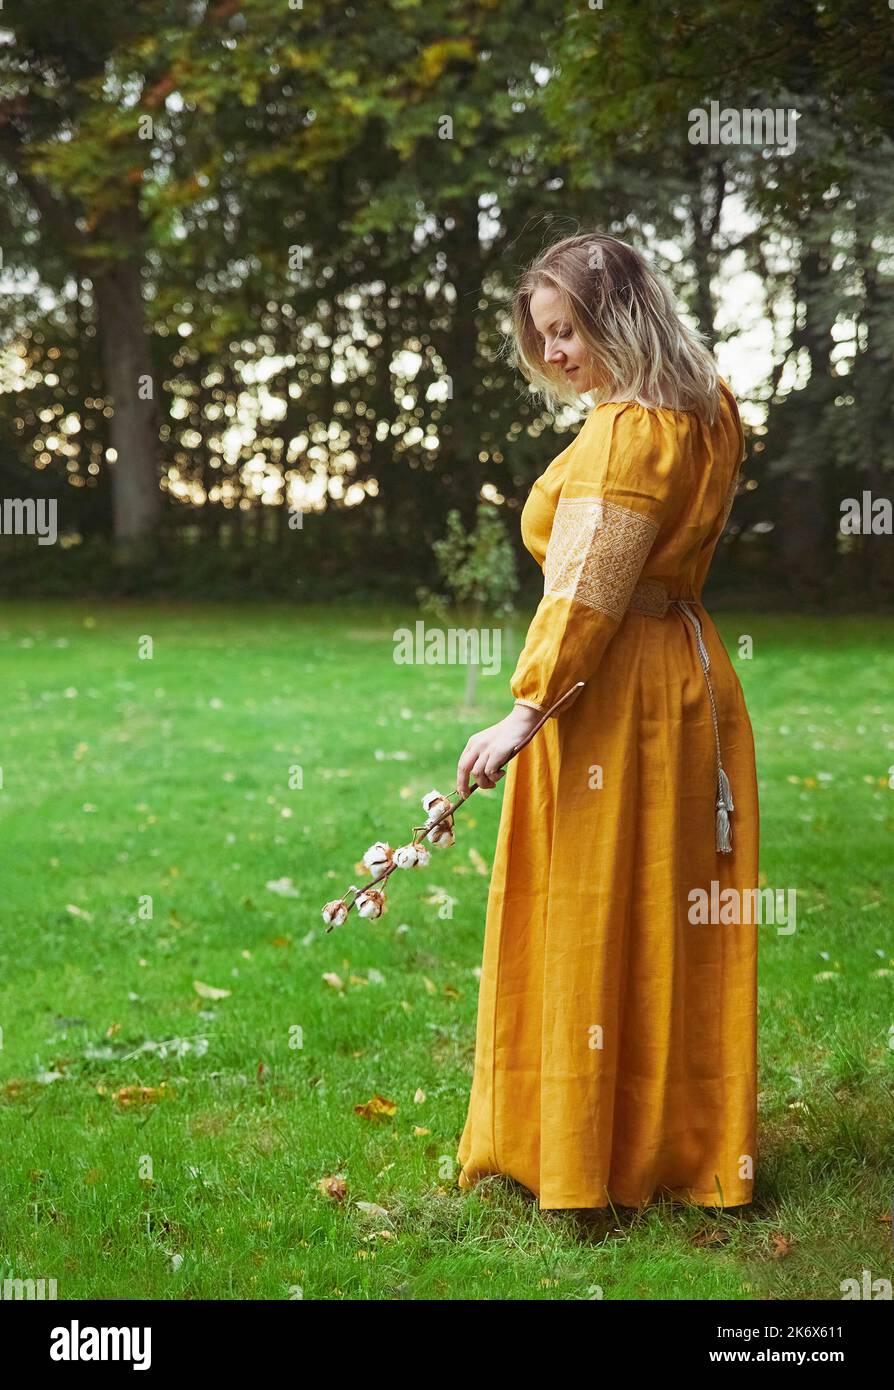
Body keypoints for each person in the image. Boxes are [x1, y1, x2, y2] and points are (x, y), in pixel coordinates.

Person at [454, 232, 758, 1211]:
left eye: (566, 331)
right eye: (542, 337)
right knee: (665, 910)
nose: (553, 355)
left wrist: (524, 710)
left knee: (590, 907)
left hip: (611, 691)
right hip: (688, 676)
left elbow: (586, 587)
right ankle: (671, 1141)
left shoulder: (628, 432)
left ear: (616, 320)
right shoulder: (709, 409)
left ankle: (586, 1156)